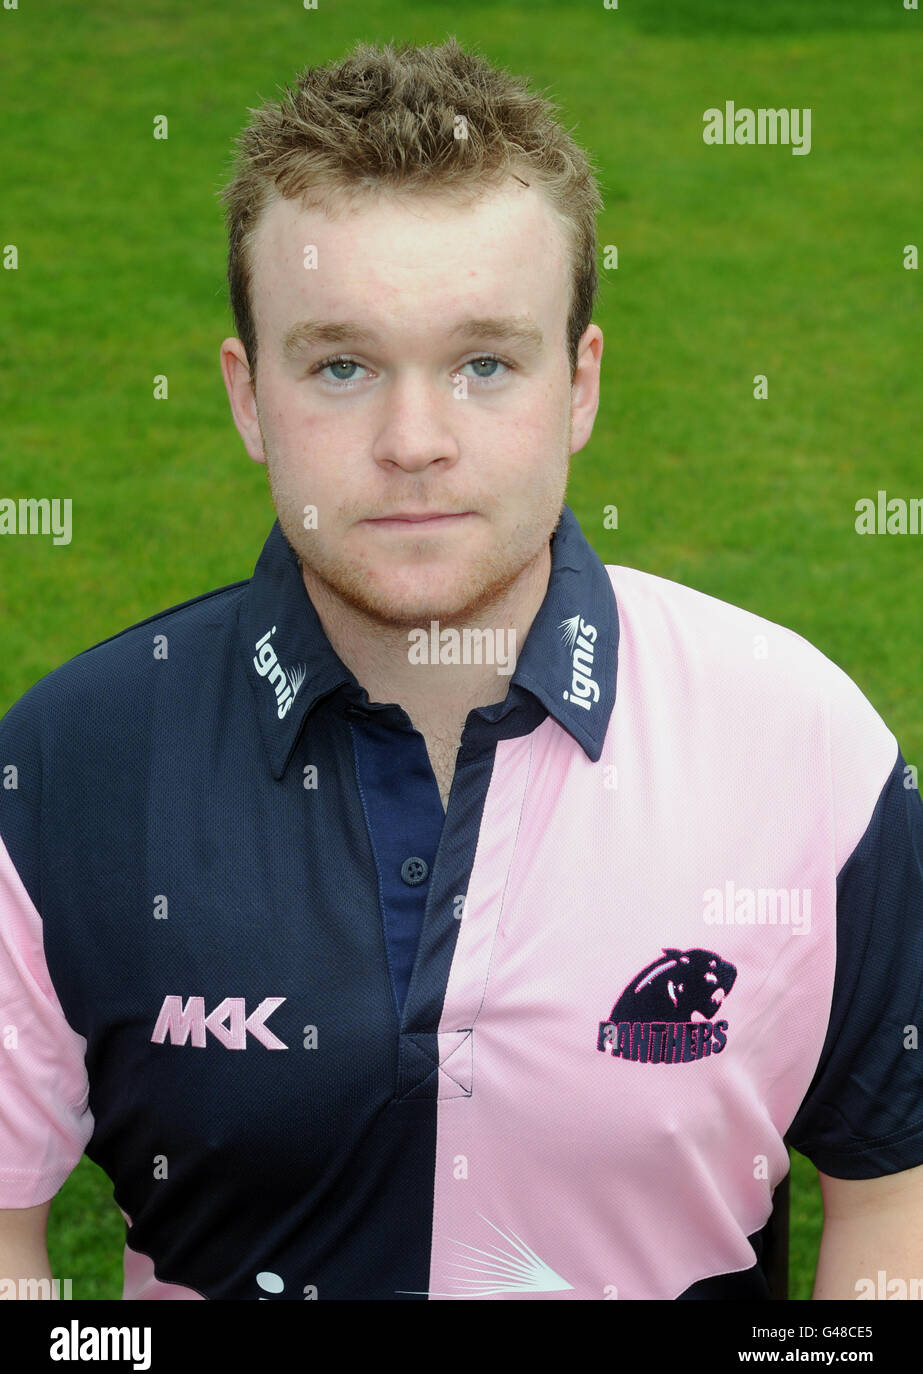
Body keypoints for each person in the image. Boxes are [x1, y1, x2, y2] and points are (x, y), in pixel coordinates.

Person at [0, 35, 921, 1302]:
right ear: (246, 395)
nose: (413, 443)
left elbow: (894, 1203)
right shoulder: (59, 772)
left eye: (485, 363)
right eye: (341, 366)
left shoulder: (807, 745)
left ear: (580, 385)